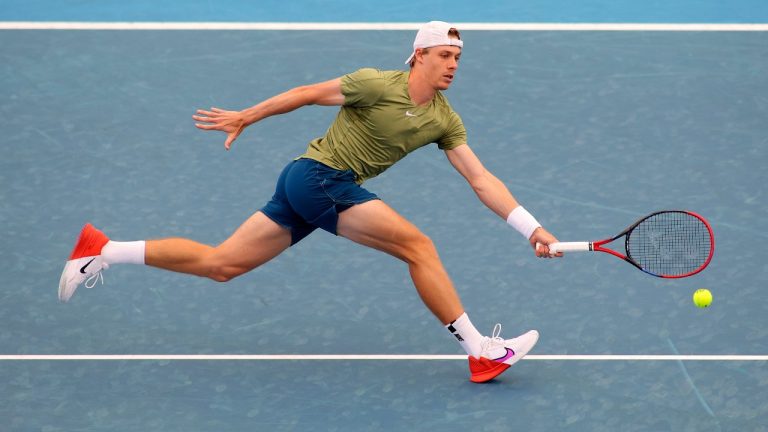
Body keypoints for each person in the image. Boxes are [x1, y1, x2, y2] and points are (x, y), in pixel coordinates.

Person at [58, 21, 561, 383]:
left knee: (221, 264)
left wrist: (531, 227)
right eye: (444, 55)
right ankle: (480, 351)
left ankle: (102, 249)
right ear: (419, 56)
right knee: (419, 246)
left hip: (308, 186)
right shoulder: (375, 84)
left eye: (458, 58)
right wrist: (246, 117)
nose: (453, 65)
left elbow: (480, 178)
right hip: (318, 178)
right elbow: (305, 92)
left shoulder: (445, 119)